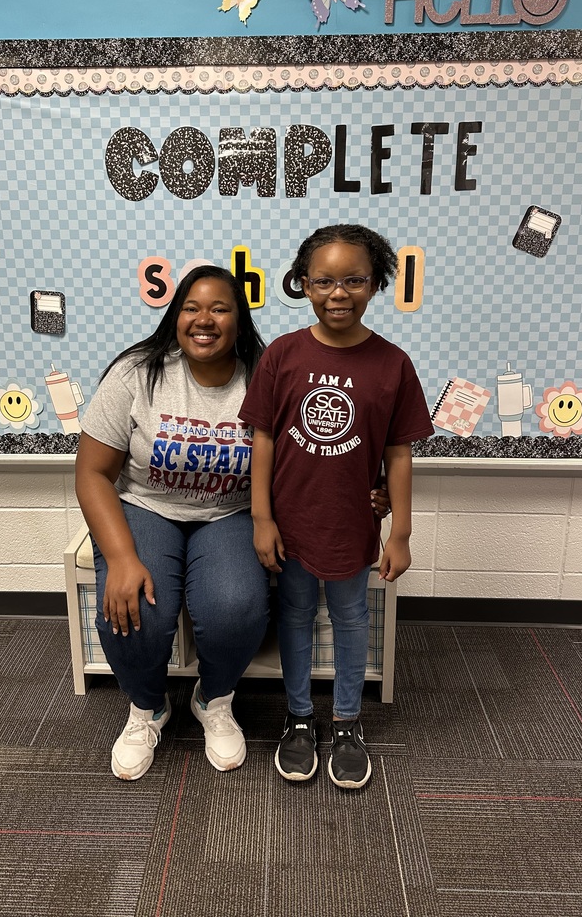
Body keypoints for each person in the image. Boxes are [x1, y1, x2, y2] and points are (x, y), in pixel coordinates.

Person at [239, 223, 433, 790]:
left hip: (352, 525)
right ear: (303, 285)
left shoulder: (393, 364)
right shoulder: (282, 355)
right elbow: (263, 439)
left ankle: (347, 721)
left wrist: (401, 532)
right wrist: (262, 517)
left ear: (376, 284)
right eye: (323, 281)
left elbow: (398, 453)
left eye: (354, 280)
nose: (338, 293)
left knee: (351, 619)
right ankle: (299, 718)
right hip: (291, 525)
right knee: (295, 616)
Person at [75, 265, 270, 780]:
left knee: (236, 605)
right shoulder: (137, 373)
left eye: (220, 309)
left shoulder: (264, 376)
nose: (204, 320)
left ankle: (214, 699)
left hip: (229, 511)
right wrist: (121, 558)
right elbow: (92, 473)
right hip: (145, 506)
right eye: (191, 308)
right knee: (133, 605)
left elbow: (305, 457)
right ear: (175, 317)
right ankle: (147, 707)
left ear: (240, 320)